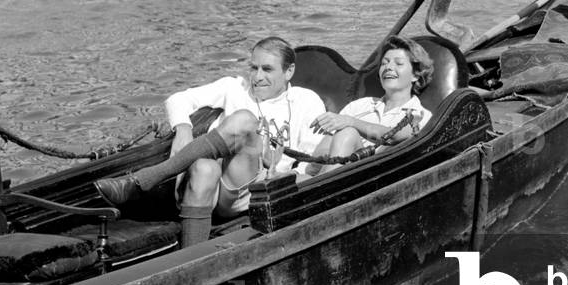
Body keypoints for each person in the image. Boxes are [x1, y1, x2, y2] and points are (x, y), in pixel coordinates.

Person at [95, 36, 326, 247]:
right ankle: (189, 259)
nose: (257, 77)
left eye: (267, 69)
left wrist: (282, 174)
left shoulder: (306, 101)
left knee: (245, 120)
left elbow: (311, 165)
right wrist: (183, 129)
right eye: (253, 68)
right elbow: (178, 99)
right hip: (220, 188)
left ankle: (143, 180)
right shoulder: (234, 87)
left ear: (289, 71)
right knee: (204, 168)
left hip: (263, 189)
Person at [305, 35, 434, 176]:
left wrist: (351, 123)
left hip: (376, 178)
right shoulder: (357, 106)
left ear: (416, 75)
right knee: (297, 177)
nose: (389, 67)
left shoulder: (420, 115)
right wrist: (334, 153)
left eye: (398, 63)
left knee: (348, 133)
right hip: (328, 174)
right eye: (384, 63)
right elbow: (319, 155)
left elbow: (395, 136)